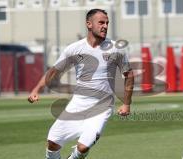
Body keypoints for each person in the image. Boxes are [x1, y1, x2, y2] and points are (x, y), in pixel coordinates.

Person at [28, 8, 134, 159]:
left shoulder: (116, 48)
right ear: (89, 24)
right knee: (52, 144)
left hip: (102, 107)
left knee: (83, 147)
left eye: (107, 23)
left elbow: (129, 75)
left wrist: (126, 104)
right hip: (78, 104)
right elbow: (54, 71)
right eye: (101, 22)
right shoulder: (74, 48)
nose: (105, 26)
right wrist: (36, 89)